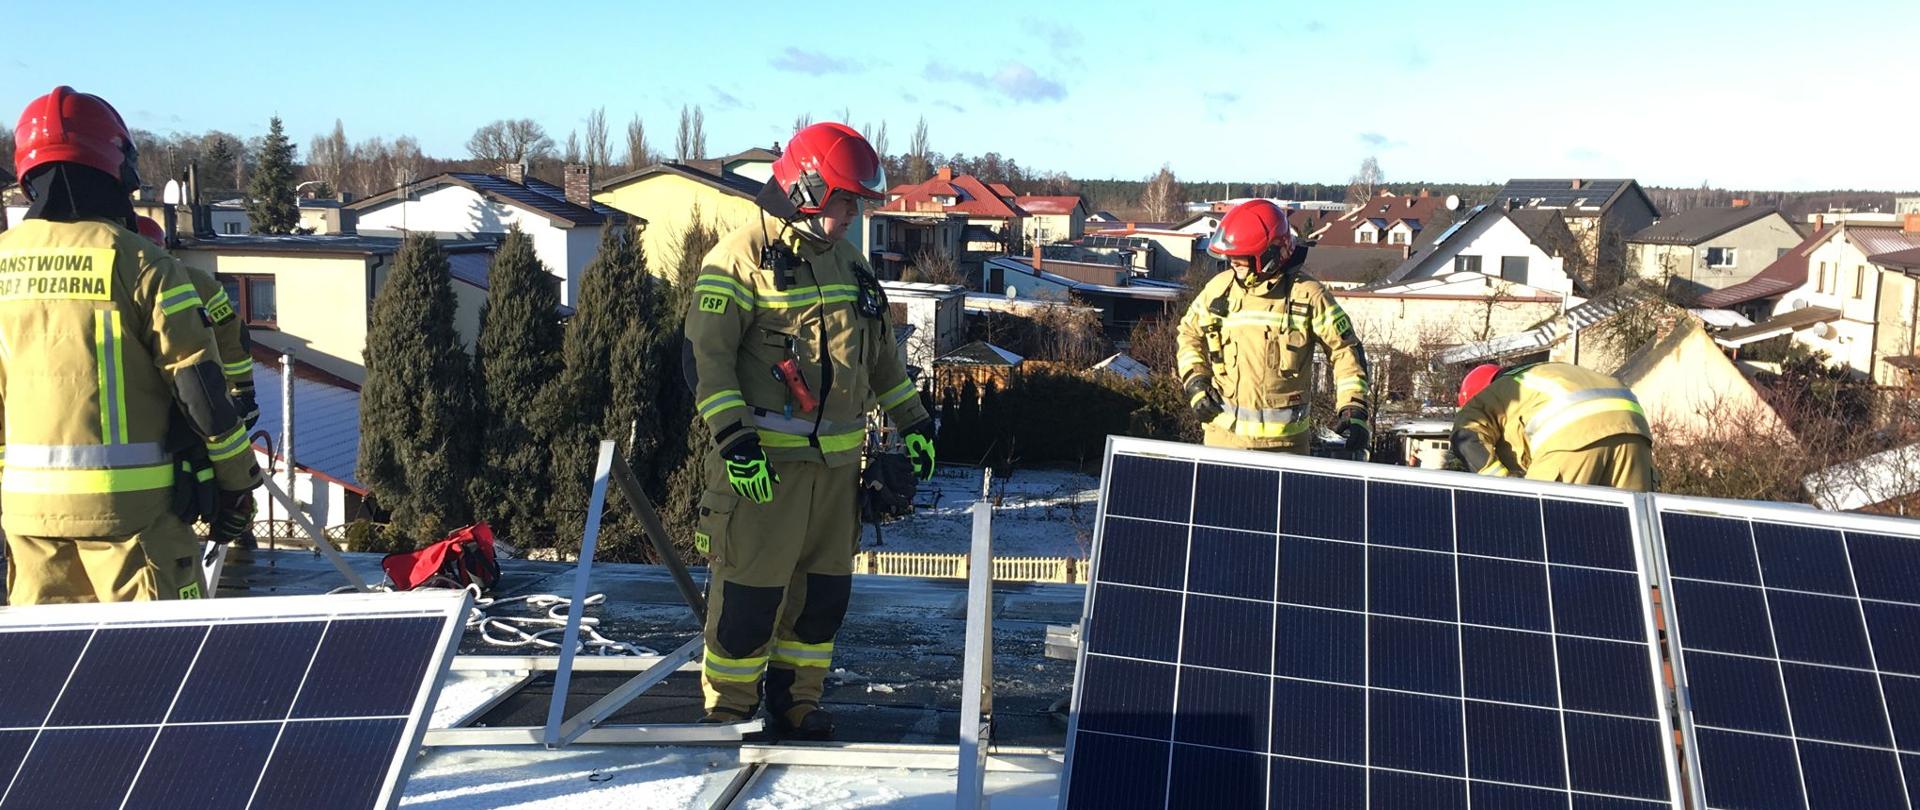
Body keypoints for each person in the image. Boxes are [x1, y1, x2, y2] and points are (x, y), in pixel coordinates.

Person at [683, 122, 934, 738]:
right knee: (749, 600)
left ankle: (798, 701)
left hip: (836, 476)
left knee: (821, 602)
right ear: (808, 189)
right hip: (761, 473)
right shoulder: (738, 260)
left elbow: (881, 359)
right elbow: (705, 362)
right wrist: (734, 442)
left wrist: (914, 422)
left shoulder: (850, 263)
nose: (853, 215)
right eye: (846, 201)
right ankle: (729, 710)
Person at [0, 86, 261, 603]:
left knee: (51, 655)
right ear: (114, 165)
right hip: (133, 519)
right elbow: (200, 389)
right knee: (160, 654)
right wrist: (238, 483)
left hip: (27, 519)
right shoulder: (144, 264)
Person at [1176, 199, 1372, 454]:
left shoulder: (1308, 296)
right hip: (1222, 445)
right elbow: (1188, 334)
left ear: (1269, 255)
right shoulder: (1219, 289)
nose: (1232, 262)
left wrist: (1353, 408)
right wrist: (1196, 382)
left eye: (1240, 257)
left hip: (1285, 451)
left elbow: (1345, 350)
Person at [1451, 361, 1655, 491]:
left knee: (1538, 524)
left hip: (1572, 435)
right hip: (1635, 430)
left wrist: (1504, 489)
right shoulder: (1544, 373)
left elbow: (1465, 436)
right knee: (1629, 529)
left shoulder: (1488, 396)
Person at [136, 216, 259, 429]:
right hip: (170, 397)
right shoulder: (197, 282)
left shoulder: (199, 283)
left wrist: (243, 391)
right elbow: (231, 333)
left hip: (184, 394)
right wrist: (242, 390)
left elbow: (230, 333)